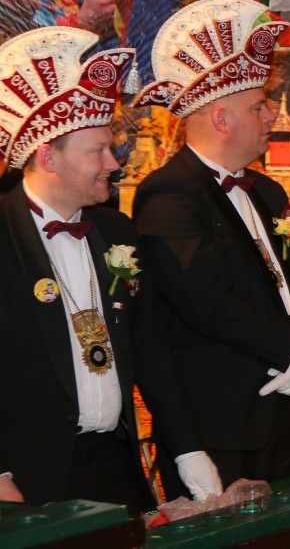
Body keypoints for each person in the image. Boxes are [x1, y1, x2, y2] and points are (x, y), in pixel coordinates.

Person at [0, 26, 220, 512]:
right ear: (48, 157)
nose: (113, 162)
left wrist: (189, 449)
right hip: (26, 476)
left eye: (110, 148)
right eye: (96, 151)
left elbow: (150, 348)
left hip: (116, 465)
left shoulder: (116, 229)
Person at [130, 0, 290, 494]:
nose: (272, 117)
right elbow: (207, 301)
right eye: (259, 107)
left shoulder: (267, 191)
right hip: (222, 429)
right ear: (221, 119)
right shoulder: (167, 192)